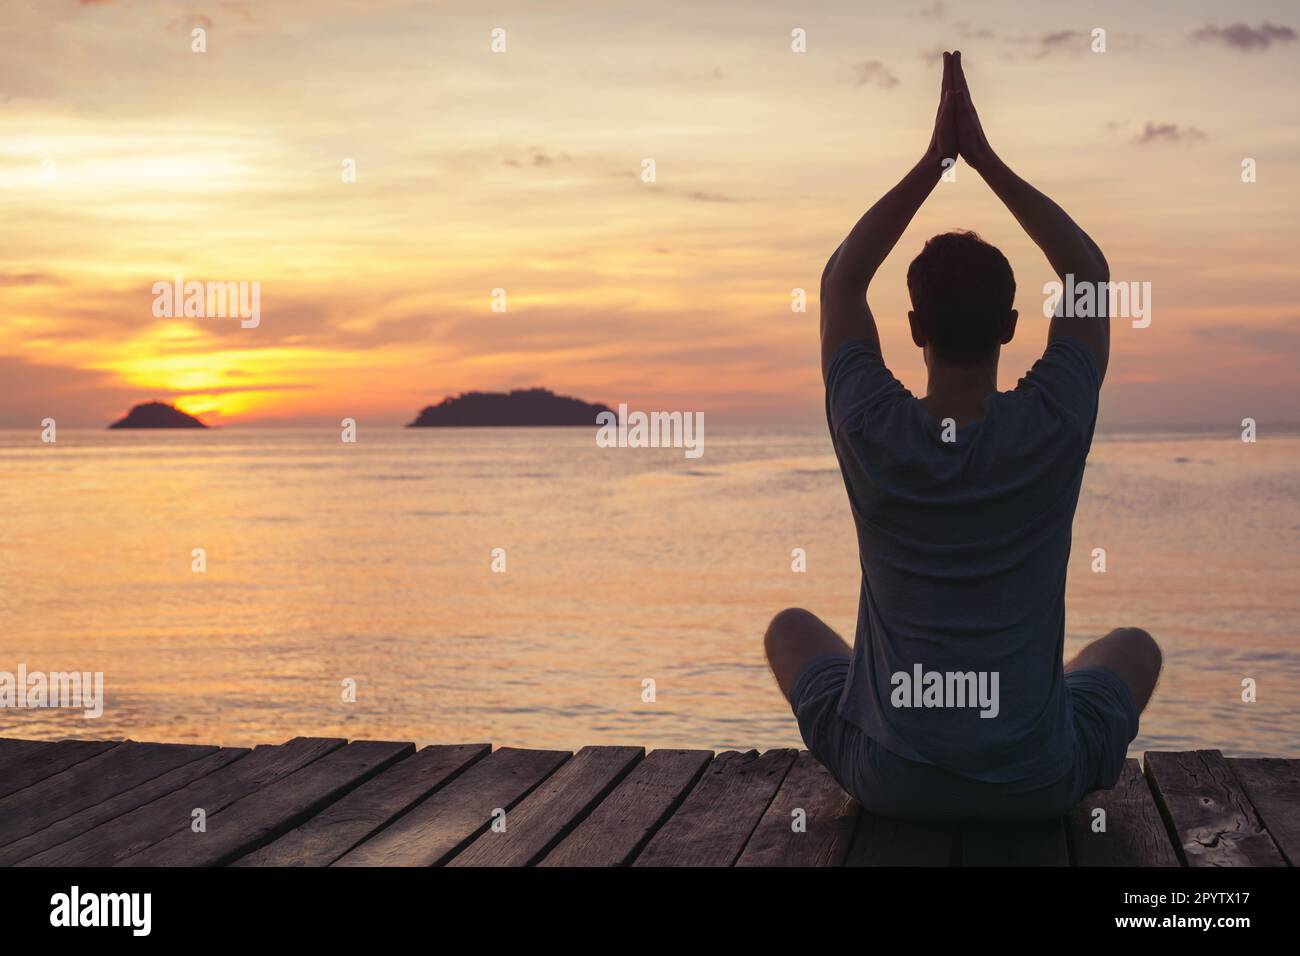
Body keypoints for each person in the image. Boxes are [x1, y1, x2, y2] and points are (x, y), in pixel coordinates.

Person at [764, 51, 1161, 820]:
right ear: (1012, 327)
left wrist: (931, 165)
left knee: (790, 629)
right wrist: (986, 160)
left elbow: (842, 280)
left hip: (890, 781)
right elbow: (1087, 271)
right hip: (1032, 782)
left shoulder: (869, 424)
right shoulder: (1052, 422)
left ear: (913, 327)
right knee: (1134, 647)